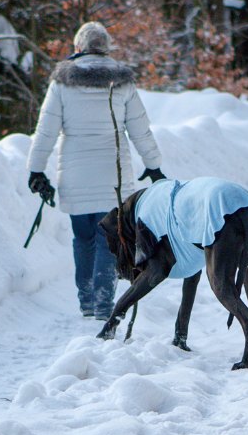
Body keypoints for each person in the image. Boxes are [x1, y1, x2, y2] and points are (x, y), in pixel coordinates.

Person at [27, 21, 164, 320]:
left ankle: (87, 301)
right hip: (112, 176)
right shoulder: (122, 82)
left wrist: (36, 170)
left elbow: (45, 130)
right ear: (107, 48)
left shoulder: (62, 82)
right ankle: (104, 302)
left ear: (78, 48)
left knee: (83, 237)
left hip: (75, 176)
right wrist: (153, 165)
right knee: (108, 238)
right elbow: (140, 129)